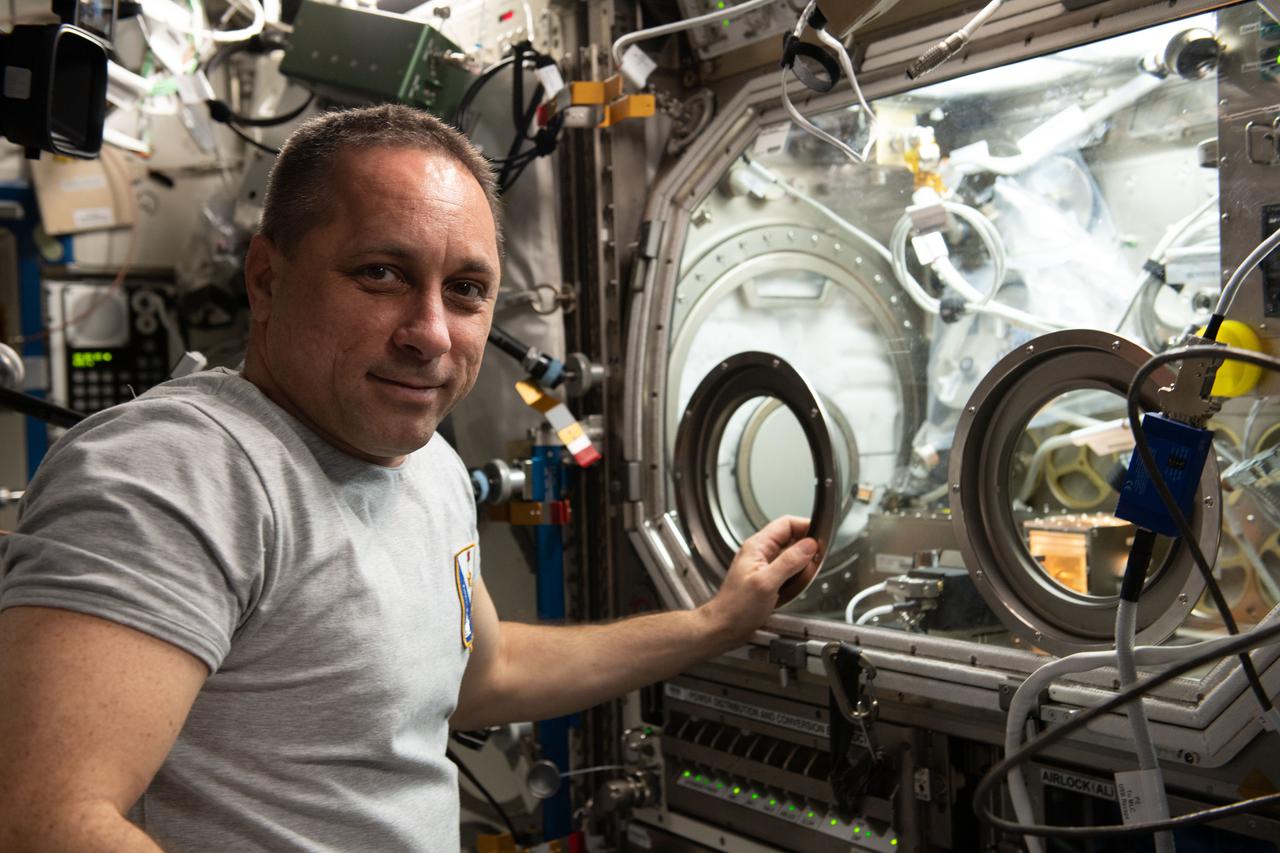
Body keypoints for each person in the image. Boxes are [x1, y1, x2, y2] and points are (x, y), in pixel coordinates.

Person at [0, 105, 819, 851]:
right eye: (382, 274)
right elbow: (47, 823)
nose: (430, 333)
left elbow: (483, 675)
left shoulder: (430, 466)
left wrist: (712, 623)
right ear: (266, 278)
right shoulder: (179, 472)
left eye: (465, 290)